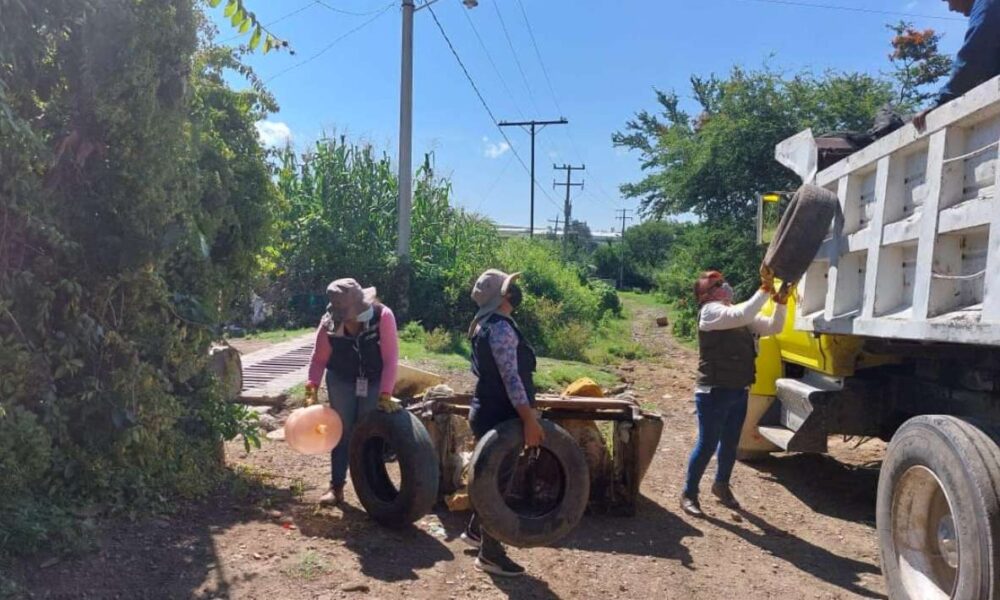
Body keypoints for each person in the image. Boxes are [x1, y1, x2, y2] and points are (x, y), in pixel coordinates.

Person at [680, 267, 790, 517]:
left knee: (730, 443)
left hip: (738, 389)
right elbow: (745, 313)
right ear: (706, 295)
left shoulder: (734, 313)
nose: (725, 285)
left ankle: (721, 486)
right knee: (707, 444)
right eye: (717, 283)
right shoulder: (710, 313)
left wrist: (780, 303)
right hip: (714, 391)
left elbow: (773, 326)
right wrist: (764, 289)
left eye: (722, 281)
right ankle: (689, 493)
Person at [461, 268, 545, 577]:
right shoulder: (500, 329)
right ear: (502, 297)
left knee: (489, 481)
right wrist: (529, 419)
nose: (516, 292)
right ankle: (490, 555)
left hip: (488, 413)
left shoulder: (487, 324)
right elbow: (512, 381)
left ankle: (474, 530)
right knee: (497, 486)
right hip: (500, 418)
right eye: (511, 288)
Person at [305, 278, 400, 506]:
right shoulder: (329, 324)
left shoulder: (382, 316)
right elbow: (318, 359)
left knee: (368, 429)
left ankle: (373, 489)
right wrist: (311, 388)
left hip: (374, 378)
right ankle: (336, 487)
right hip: (341, 379)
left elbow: (390, 358)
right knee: (342, 430)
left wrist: (386, 393)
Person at [914, 0, 1000, 131]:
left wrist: (941, 100)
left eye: (949, 0)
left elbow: (974, 57)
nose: (950, 8)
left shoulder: (987, 3)